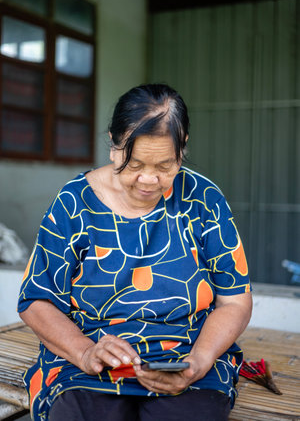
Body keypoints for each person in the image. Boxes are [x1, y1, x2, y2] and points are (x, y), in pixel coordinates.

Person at [18, 83, 252, 421]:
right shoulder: (73, 204)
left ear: (182, 149)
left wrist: (200, 361)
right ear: (113, 145)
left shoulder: (204, 200)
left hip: (186, 355)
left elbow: (234, 300)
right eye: (134, 163)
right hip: (91, 361)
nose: (149, 180)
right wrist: (85, 353)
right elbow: (36, 300)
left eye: (165, 166)